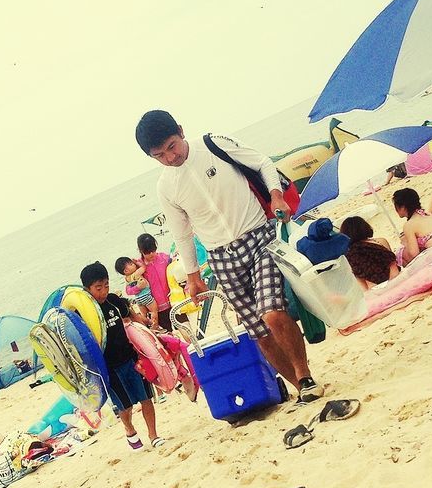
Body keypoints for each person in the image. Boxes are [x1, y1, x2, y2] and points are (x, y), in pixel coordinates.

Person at [136, 109, 323, 402]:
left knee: (272, 314)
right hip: (221, 258)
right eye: (160, 155)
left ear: (181, 131)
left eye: (172, 146)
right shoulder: (166, 187)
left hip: (259, 238)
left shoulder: (213, 143)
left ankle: (305, 375)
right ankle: (300, 389)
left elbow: (262, 162)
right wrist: (194, 277)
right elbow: (182, 234)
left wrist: (275, 195)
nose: (170, 157)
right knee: (259, 332)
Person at [81, 261, 163, 449]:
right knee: (125, 406)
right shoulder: (84, 313)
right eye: (98, 288)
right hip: (109, 368)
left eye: (106, 285)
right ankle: (130, 430)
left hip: (130, 359)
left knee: (146, 398)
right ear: (87, 289)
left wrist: (150, 331)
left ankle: (153, 435)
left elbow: (134, 318)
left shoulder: (114, 301)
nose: (103, 291)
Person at [393, 187, 432, 265]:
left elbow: (414, 254)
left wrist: (405, 242)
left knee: (400, 253)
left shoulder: (409, 225)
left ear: (403, 207)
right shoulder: (428, 214)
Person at [340, 216, 400, 288]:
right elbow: (392, 262)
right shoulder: (381, 241)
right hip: (397, 278)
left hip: (374, 289)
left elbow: (361, 281)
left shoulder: (350, 255)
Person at [136, 233, 174, 330]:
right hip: (155, 308)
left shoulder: (164, 258)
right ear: (141, 251)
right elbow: (130, 286)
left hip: (173, 301)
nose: (151, 254)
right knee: (168, 334)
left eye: (153, 250)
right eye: (147, 252)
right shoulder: (139, 267)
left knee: (182, 328)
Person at [116, 256, 160, 328]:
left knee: (144, 314)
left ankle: (146, 325)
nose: (133, 264)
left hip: (138, 299)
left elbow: (128, 290)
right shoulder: (136, 274)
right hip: (146, 296)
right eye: (131, 264)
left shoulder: (127, 279)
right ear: (126, 271)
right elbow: (143, 267)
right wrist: (137, 262)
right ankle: (155, 325)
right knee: (154, 311)